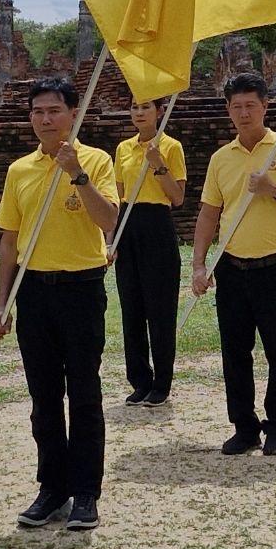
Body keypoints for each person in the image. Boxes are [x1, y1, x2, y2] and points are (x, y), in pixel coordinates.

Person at [0, 77, 120, 531]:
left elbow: (108, 219)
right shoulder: (19, 170)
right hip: (34, 292)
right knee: (44, 396)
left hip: (81, 288)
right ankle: (52, 487)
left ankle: (85, 492)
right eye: (38, 112)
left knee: (83, 392)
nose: (46, 119)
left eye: (54, 111)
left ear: (72, 114)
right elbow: (9, 242)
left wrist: (76, 174)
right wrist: (2, 305)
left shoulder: (96, 160)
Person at [190, 73, 276, 457]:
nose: (244, 113)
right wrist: (199, 265)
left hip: (274, 268)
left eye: (251, 105)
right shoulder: (221, 158)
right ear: (228, 110)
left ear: (265, 106)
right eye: (237, 106)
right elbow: (208, 213)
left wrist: (275, 191)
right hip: (231, 268)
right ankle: (244, 426)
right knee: (235, 353)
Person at [110, 96, 187, 407]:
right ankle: (140, 379)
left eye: (146, 107)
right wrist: (111, 240)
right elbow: (117, 197)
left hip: (157, 225)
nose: (139, 113)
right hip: (128, 223)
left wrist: (158, 165)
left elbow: (177, 197)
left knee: (160, 309)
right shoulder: (123, 148)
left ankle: (162, 382)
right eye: (134, 107)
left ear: (160, 112)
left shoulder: (171, 146)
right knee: (132, 308)